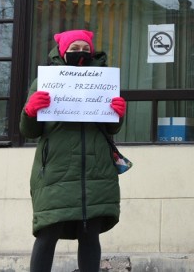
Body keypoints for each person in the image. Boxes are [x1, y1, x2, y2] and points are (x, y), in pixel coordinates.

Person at [19, 29, 127, 272]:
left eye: (85, 49)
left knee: (90, 235)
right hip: (56, 171)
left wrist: (118, 114)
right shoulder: (43, 82)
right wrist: (30, 111)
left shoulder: (104, 81)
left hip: (95, 170)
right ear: (62, 52)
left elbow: (111, 128)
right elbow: (29, 131)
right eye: (74, 49)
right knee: (47, 233)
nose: (81, 54)